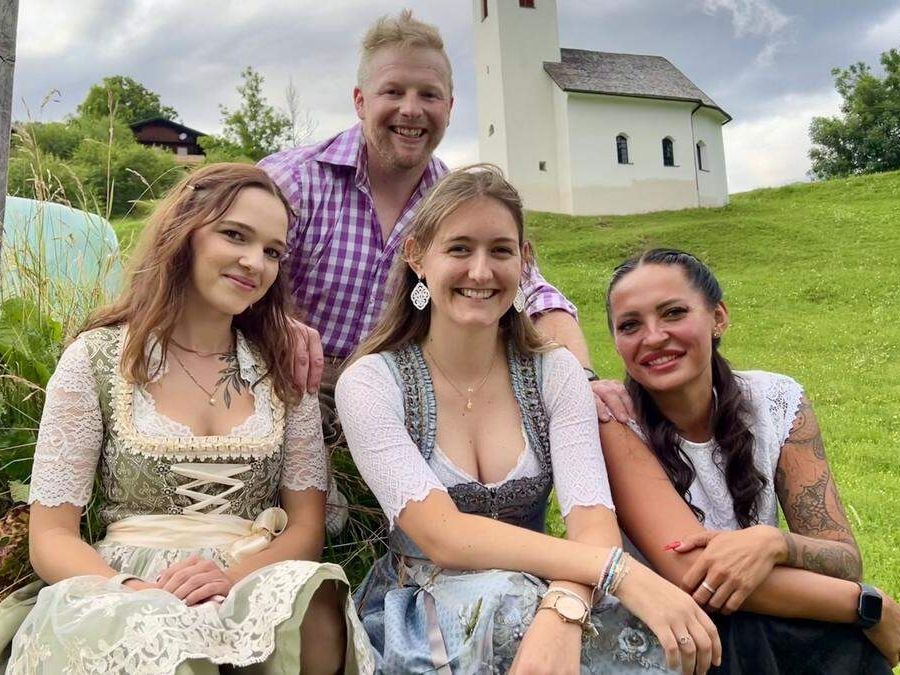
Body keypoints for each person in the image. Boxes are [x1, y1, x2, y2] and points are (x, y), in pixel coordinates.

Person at [335, 165, 723, 674]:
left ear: (524, 261)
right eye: (459, 249)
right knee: (514, 608)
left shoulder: (553, 373)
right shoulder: (372, 383)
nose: (481, 272)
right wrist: (620, 572)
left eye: (500, 251)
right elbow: (441, 535)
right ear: (417, 256)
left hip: (549, 589)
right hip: (424, 609)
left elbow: (592, 522)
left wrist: (565, 605)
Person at [0, 164, 373, 674]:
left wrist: (232, 577)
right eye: (235, 235)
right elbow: (52, 536)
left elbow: (306, 527)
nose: (255, 263)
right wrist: (133, 590)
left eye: (273, 252)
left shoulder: (281, 369)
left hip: (249, 573)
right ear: (183, 232)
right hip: (123, 581)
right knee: (158, 632)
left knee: (315, 602)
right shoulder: (98, 358)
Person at [259, 11, 601, 480]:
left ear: (450, 107)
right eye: (393, 92)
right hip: (290, 385)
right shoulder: (292, 181)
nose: (411, 110)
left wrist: (582, 381)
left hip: (399, 397)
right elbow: (221, 275)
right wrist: (275, 321)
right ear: (360, 101)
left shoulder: (457, 201)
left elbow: (532, 292)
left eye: (429, 95)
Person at [601, 247, 899, 672]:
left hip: (762, 627)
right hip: (668, 639)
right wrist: (870, 606)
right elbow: (697, 577)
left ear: (718, 318)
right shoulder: (614, 422)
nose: (653, 337)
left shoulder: (775, 401)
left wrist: (774, 543)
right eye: (630, 325)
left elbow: (844, 559)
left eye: (673, 313)